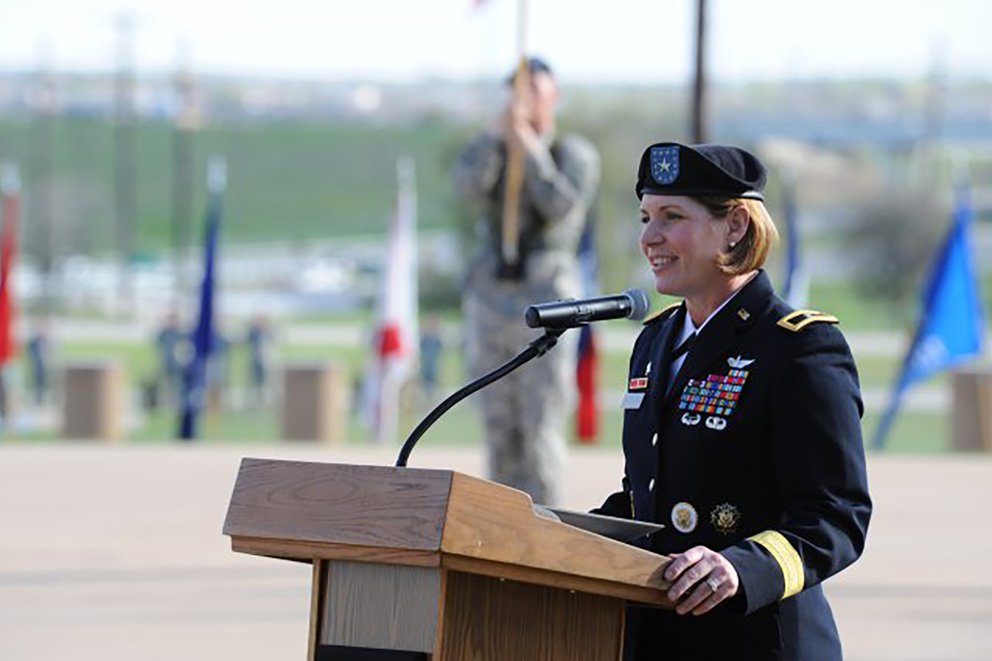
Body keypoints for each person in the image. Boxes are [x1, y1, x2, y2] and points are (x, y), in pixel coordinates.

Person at [595, 142, 871, 660]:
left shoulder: (799, 348)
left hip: (761, 640)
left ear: (736, 226)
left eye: (672, 217)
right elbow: (649, 497)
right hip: (661, 637)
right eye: (645, 217)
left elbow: (836, 516)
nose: (649, 237)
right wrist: (549, 533)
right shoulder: (654, 343)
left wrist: (740, 568)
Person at [452, 56, 600, 506]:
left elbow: (562, 206)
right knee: (500, 428)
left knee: (539, 426)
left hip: (546, 293)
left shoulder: (571, 153)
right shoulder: (492, 149)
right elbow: (467, 187)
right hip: (494, 295)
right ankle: (503, 528)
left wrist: (529, 150)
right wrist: (497, 143)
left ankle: (544, 527)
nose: (524, 100)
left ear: (553, 96)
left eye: (534, 90)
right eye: (517, 91)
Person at [244, 314, 274, 408]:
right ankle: (254, 401)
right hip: (256, 360)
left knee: (266, 381)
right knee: (255, 380)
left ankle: (264, 401)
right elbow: (248, 337)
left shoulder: (269, 333)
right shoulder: (254, 333)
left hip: (266, 361)